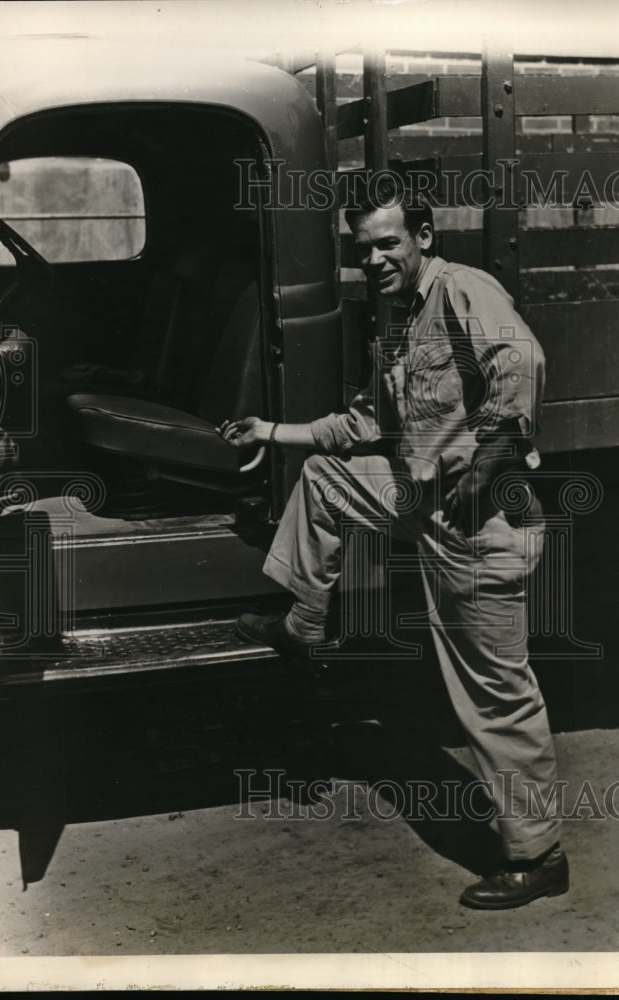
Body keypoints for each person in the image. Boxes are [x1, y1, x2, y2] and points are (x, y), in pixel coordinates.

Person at [219, 178, 568, 910]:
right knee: (325, 476)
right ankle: (304, 624)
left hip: (481, 526)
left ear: (423, 236)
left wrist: (495, 448)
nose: (375, 260)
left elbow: (522, 364)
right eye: (363, 249)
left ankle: (536, 856)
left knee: (492, 696)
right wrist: (269, 432)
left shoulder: (463, 290)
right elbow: (359, 426)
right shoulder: (399, 321)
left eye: (388, 243)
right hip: (422, 500)